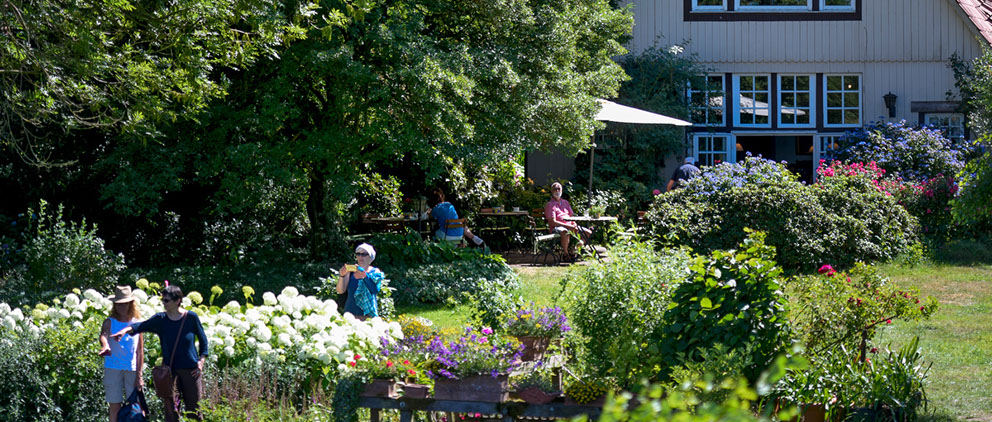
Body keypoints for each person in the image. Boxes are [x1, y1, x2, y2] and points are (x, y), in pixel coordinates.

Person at [112, 285, 208, 422]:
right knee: (171, 413)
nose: (163, 303)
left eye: (166, 300)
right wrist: (124, 331)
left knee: (194, 411)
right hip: (170, 372)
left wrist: (201, 361)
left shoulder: (191, 317)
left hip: (191, 371)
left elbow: (203, 339)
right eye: (163, 300)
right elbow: (141, 326)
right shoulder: (161, 319)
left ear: (177, 301)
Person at [98, 285, 145, 422]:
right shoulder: (109, 322)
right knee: (114, 406)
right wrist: (105, 345)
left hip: (132, 369)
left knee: (135, 406)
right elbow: (103, 335)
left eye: (124, 304)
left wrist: (139, 376)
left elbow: (140, 352)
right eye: (118, 304)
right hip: (113, 368)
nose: (121, 307)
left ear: (130, 304)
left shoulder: (137, 324)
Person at [544, 182, 592, 261]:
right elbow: (553, 222)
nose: (557, 191)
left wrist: (574, 224)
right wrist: (568, 226)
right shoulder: (550, 205)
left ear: (562, 190)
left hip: (570, 225)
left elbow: (571, 216)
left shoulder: (566, 203)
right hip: (557, 227)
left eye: (559, 189)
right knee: (565, 232)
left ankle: (573, 251)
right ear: (552, 191)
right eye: (555, 189)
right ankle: (565, 254)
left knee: (587, 232)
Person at [337, 243, 385, 320]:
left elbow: (375, 290)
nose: (360, 257)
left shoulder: (375, 272)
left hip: (368, 316)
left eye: (364, 254)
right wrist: (342, 275)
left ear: (370, 257)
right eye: (358, 254)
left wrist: (365, 276)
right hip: (350, 315)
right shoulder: (351, 271)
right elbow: (340, 290)